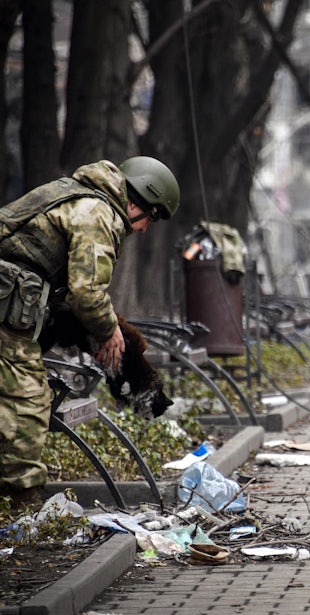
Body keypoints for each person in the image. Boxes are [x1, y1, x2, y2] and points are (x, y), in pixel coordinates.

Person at [0, 157, 180, 512]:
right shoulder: (99, 214)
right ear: (137, 202)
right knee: (28, 405)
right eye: (150, 218)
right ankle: (23, 507)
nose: (144, 230)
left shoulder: (80, 196)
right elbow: (87, 294)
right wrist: (108, 329)